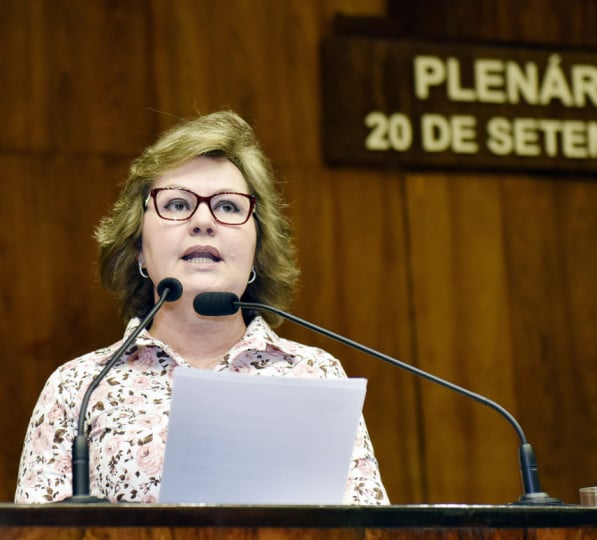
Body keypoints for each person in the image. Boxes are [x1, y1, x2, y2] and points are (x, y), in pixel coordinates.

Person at [14, 110, 390, 505]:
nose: (203, 220)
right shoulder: (79, 388)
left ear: (257, 252)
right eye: (177, 204)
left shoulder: (314, 377)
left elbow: (367, 529)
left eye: (228, 207)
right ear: (139, 247)